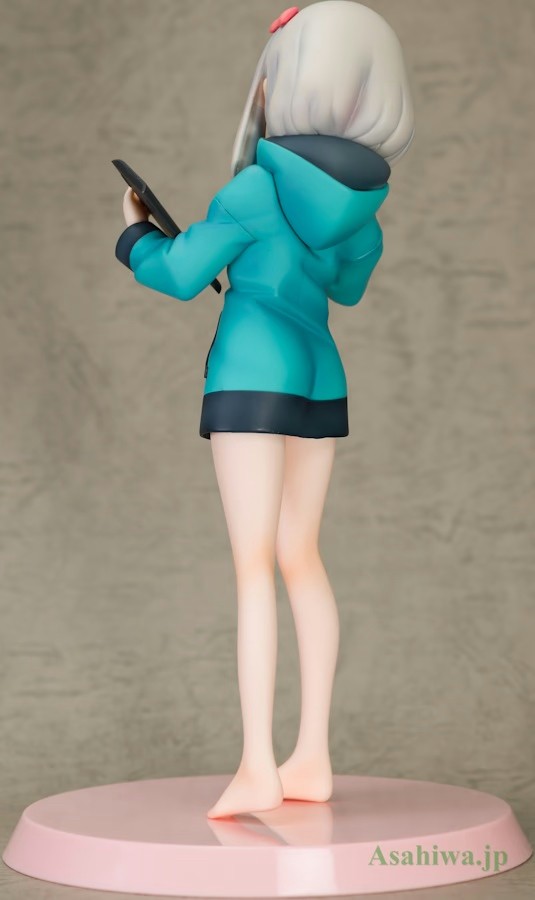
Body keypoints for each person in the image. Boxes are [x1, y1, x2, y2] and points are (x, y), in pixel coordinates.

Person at [115, 1, 414, 819]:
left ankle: (257, 763)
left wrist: (135, 233)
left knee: (253, 567)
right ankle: (311, 753)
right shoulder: (363, 208)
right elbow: (347, 290)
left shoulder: (253, 187)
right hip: (319, 379)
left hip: (250, 376)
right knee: (300, 558)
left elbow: (179, 274)